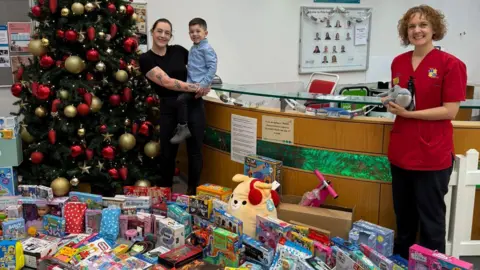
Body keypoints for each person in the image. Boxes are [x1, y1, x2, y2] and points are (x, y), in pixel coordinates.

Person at [385, 5, 467, 258]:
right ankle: (402, 262)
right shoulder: (398, 62)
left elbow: (450, 111)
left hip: (432, 155)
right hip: (401, 152)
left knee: (431, 221)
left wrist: (409, 115)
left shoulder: (451, 64)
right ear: (405, 31)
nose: (417, 30)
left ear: (434, 29)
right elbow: (397, 95)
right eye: (411, 26)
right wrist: (390, 102)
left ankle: (432, 264)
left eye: (423, 25)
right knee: (404, 219)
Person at [139, 18, 210, 195]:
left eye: (167, 33)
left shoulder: (178, 50)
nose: (163, 36)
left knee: (195, 152)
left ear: (171, 36)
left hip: (193, 105)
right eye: (159, 31)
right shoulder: (146, 59)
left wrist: (207, 81)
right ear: (152, 32)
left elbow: (201, 65)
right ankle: (166, 195)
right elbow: (168, 83)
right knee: (168, 155)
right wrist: (197, 87)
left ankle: (192, 194)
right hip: (169, 109)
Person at [170, 18, 218, 144]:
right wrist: (188, 84)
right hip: (191, 86)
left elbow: (212, 67)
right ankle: (183, 127)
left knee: (181, 100)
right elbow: (191, 69)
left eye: (198, 31)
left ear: (205, 33)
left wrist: (203, 84)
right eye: (192, 32)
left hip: (198, 86)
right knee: (181, 99)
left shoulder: (206, 48)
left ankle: (183, 128)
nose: (195, 34)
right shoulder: (193, 48)